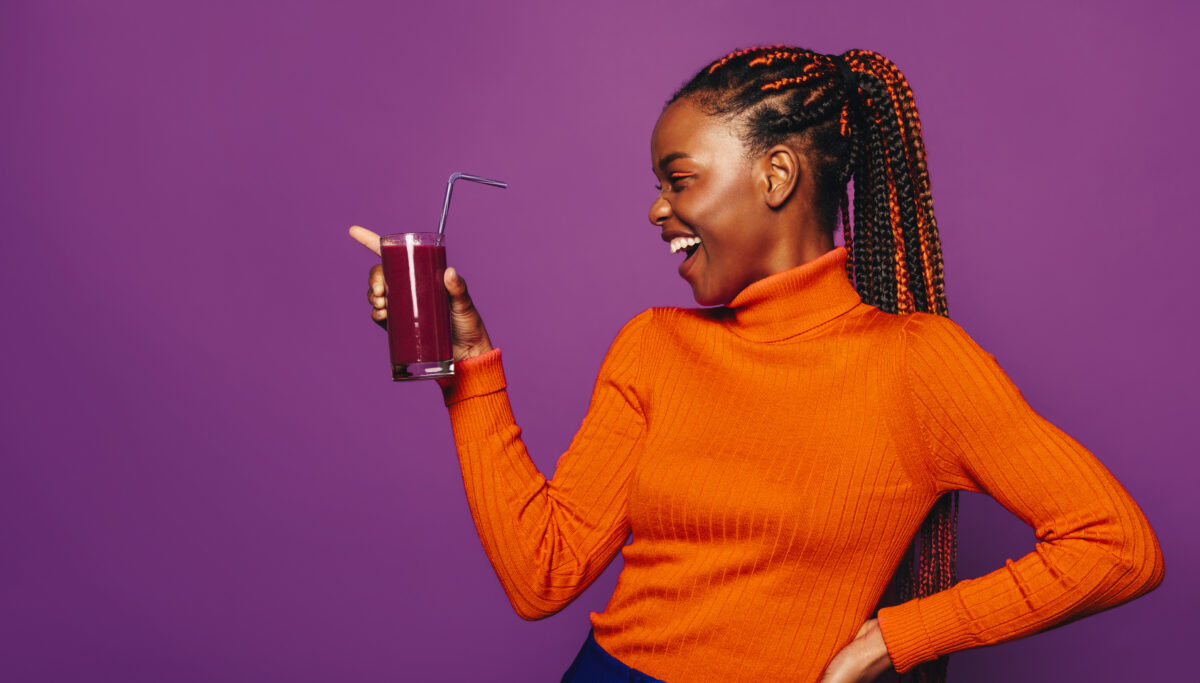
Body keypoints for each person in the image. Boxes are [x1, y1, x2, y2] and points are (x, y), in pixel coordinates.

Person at [349, 45, 1165, 683]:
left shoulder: (919, 364)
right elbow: (543, 573)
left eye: (681, 179)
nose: (657, 209)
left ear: (775, 175)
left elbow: (1116, 546)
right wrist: (467, 368)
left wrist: (894, 638)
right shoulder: (656, 344)